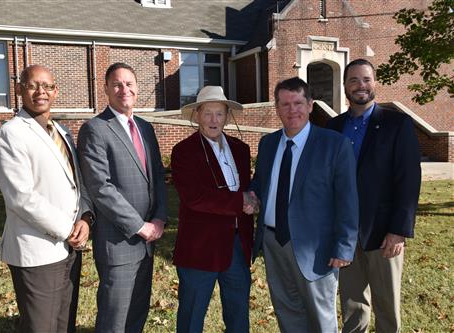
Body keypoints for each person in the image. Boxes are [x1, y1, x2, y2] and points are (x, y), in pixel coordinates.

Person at [249, 77, 359, 332]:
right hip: (273, 244)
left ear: (310, 105)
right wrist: (252, 196)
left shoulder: (334, 144)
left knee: (321, 317)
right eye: (285, 104)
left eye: (298, 103)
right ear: (276, 108)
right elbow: (261, 183)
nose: (292, 110)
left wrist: (344, 246)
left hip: (316, 246)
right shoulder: (268, 144)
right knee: (287, 311)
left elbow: (347, 199)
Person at [0, 65, 94, 333]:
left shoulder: (61, 131)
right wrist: (67, 228)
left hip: (69, 248)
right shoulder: (10, 134)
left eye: (47, 86)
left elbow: (76, 183)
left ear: (55, 91)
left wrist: (84, 217)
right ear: (19, 89)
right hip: (37, 252)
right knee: (41, 327)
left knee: (64, 325)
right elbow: (21, 197)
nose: (41, 92)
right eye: (33, 85)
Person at [327, 58, 421, 333]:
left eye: (366, 79)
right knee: (352, 305)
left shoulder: (397, 124)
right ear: (344, 86)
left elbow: (408, 180)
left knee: (386, 305)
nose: (360, 85)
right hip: (344, 232)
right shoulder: (332, 128)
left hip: (384, 234)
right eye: (353, 80)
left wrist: (398, 230)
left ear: (375, 83)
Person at [77, 62, 167, 333]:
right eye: (116, 84)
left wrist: (160, 218)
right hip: (119, 242)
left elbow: (158, 178)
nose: (123, 89)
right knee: (114, 320)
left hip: (148, 242)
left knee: (137, 314)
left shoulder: (145, 128)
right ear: (106, 89)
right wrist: (140, 226)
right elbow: (100, 188)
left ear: (137, 89)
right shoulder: (95, 129)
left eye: (129, 83)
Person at [171, 86, 256, 333]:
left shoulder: (241, 149)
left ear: (227, 116)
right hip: (200, 248)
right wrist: (239, 201)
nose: (213, 120)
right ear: (197, 115)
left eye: (219, 114)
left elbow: (247, 189)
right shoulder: (184, 152)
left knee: (238, 314)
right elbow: (194, 197)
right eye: (208, 113)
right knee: (192, 316)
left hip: (237, 248)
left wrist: (253, 201)